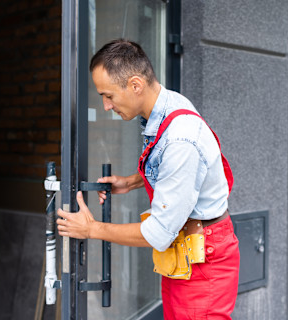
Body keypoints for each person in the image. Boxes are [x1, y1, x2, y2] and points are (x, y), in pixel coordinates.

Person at [57, 39, 240, 319]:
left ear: (135, 85)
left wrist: (91, 229)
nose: (106, 106)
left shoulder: (181, 138)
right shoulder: (169, 104)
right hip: (186, 253)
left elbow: (158, 232)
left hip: (204, 261)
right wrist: (131, 182)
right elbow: (179, 170)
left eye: (108, 95)